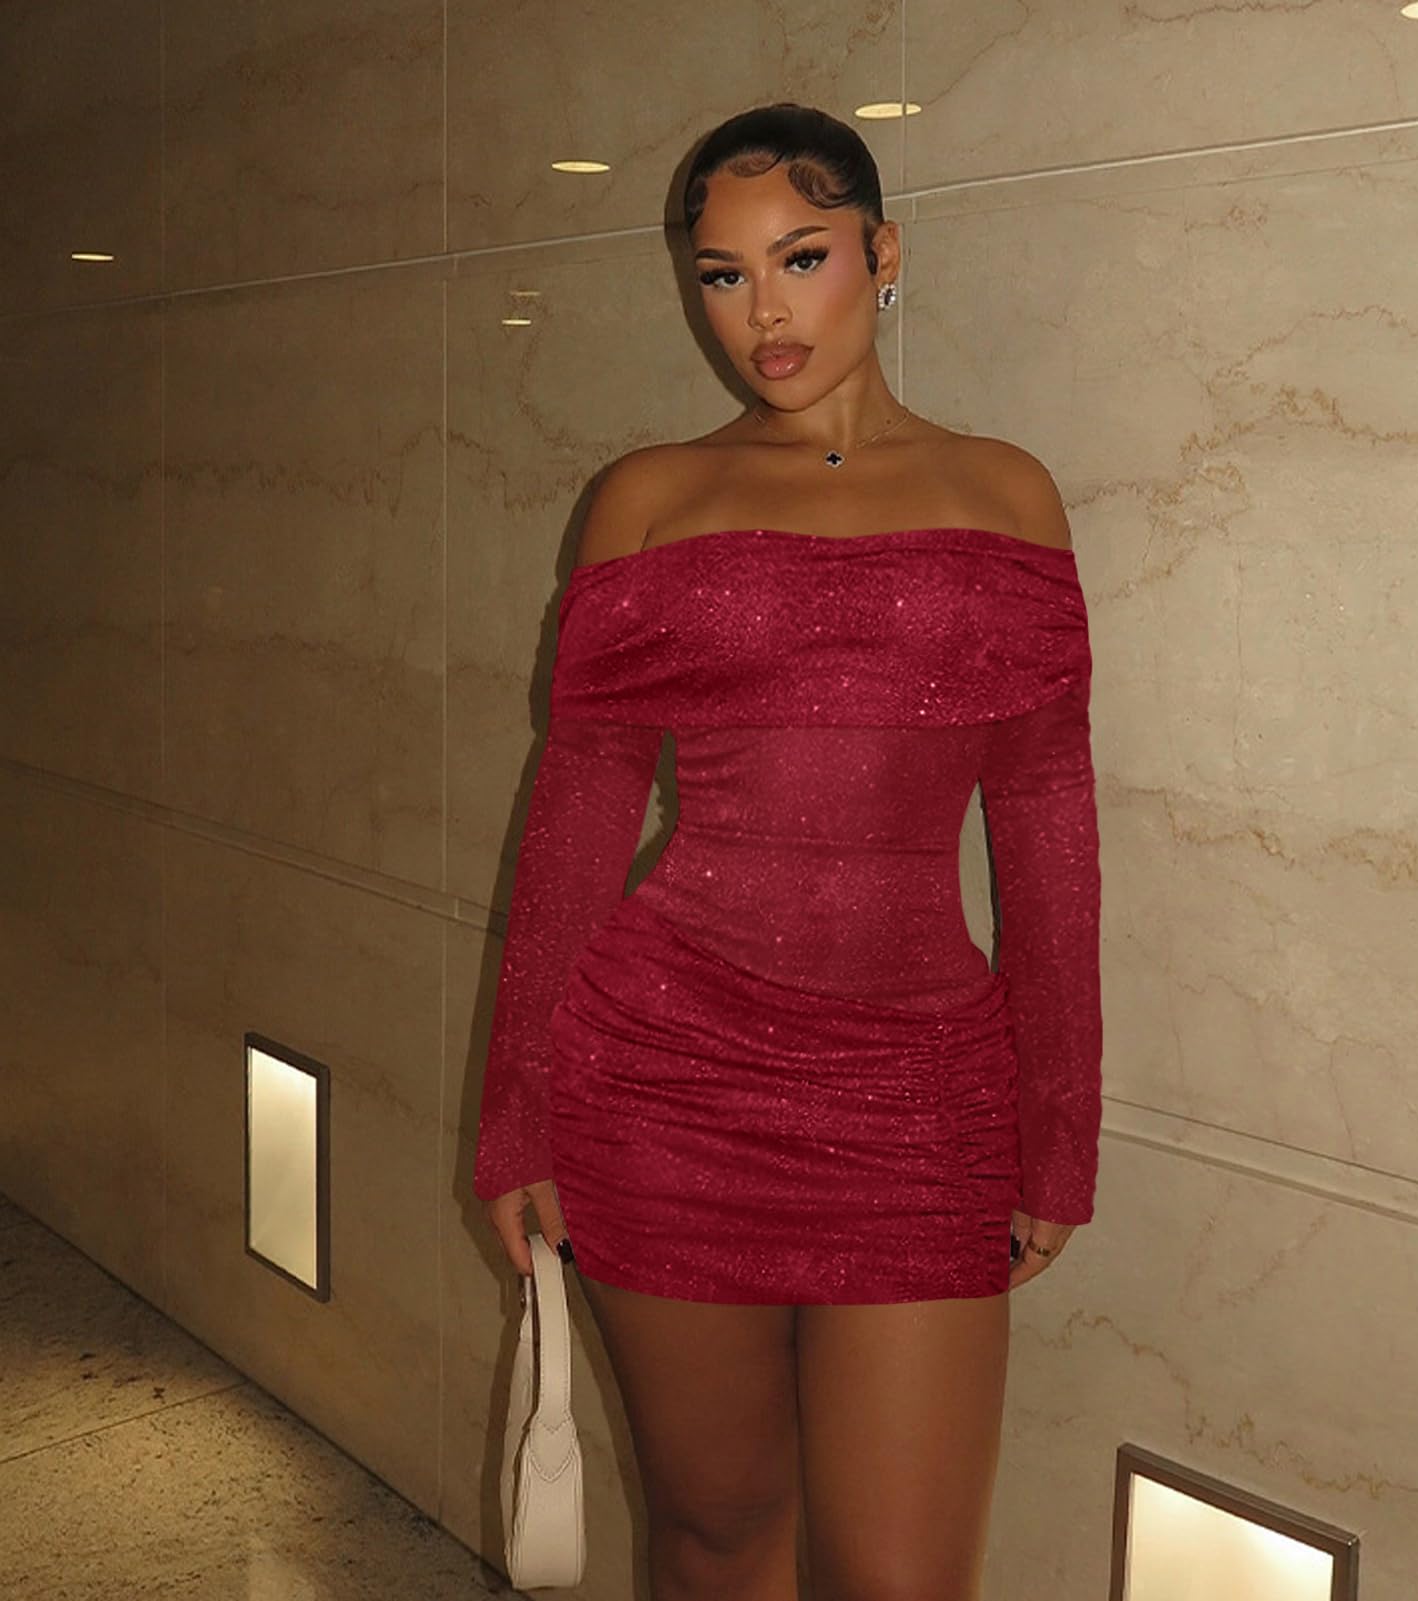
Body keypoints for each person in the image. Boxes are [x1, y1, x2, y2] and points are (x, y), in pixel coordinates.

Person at [472, 101, 1102, 1601]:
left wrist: (1056, 1127)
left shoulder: (1004, 494)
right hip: (664, 1081)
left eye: (800, 257)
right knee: (715, 1535)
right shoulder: (649, 499)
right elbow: (578, 815)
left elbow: (1044, 826)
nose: (762, 312)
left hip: (923, 1096)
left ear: (884, 255)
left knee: (902, 1578)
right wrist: (517, 1115)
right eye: (722, 274)